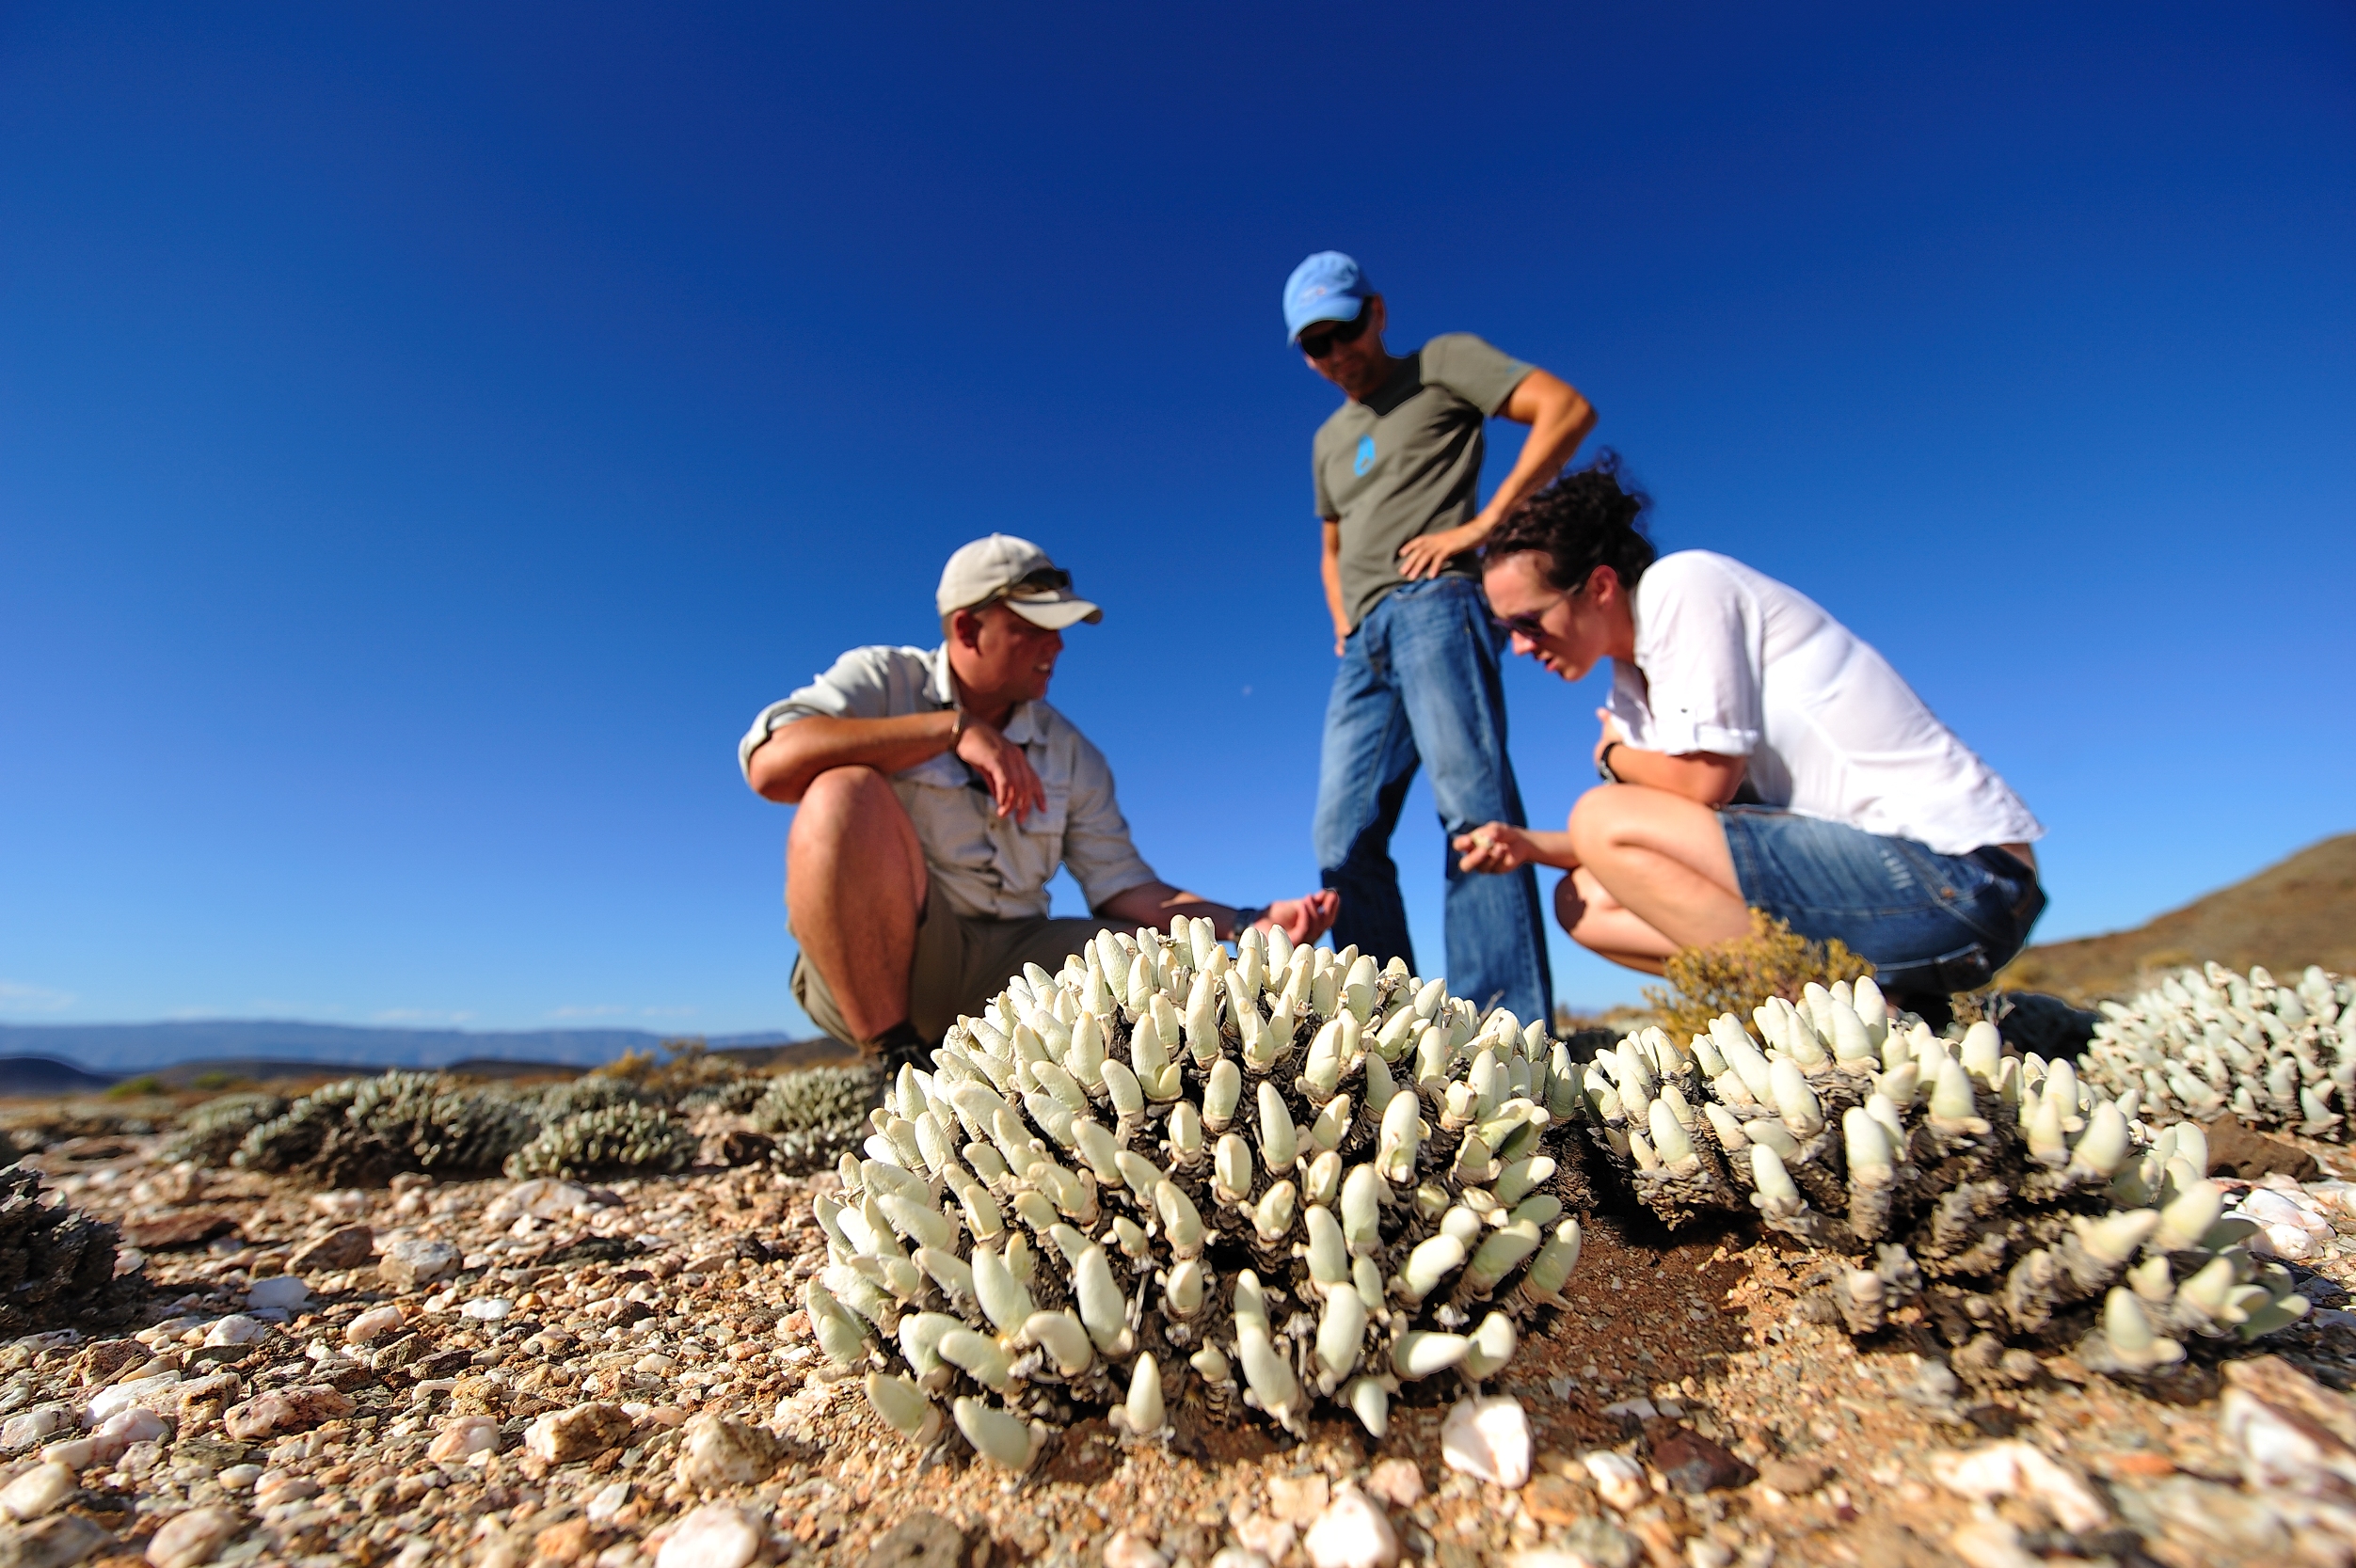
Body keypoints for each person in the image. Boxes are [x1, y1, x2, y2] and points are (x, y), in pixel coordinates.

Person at [1453, 459, 2046, 1009]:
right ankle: (1873, 1011)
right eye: (1508, 632)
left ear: (1601, 587)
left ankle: (1829, 1024)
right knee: (1584, 902)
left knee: (1600, 815)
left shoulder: (1681, 585)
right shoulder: (1632, 690)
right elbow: (1658, 843)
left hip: (1963, 877)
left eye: (1529, 621)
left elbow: (1700, 782)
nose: (1523, 646)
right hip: (1889, 888)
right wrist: (1530, 846)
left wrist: (1612, 753)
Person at [739, 533, 1339, 1067]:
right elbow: (771, 764)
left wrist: (1244, 921)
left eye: (1057, 630)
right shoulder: (885, 679)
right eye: (1029, 629)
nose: (1055, 647)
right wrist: (953, 730)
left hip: (1011, 970)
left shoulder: (1071, 752)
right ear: (967, 630)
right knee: (842, 791)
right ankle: (894, 1060)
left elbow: (1124, 888)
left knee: (1147, 958)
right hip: (892, 968)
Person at [1284, 250, 1597, 1023]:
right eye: (1315, 344)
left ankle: (1504, 1041)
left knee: (1473, 810)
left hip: (1437, 605)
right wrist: (1340, 619)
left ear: (1378, 314)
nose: (1336, 353)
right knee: (1342, 836)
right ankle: (1394, 1039)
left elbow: (1565, 408)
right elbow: (1330, 543)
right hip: (1364, 644)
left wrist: (1488, 525)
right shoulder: (1329, 439)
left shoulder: (1442, 363)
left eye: (1346, 330)